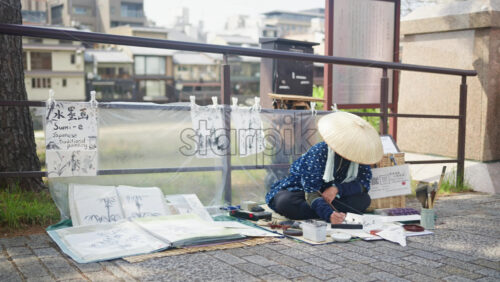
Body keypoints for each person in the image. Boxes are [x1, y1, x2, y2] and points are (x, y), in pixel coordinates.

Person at [265, 111, 383, 224]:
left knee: (363, 200)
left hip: (335, 196)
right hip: (302, 190)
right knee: (285, 202)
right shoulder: (319, 152)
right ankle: (330, 213)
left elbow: (363, 184)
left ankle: (319, 212)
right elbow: (311, 192)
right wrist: (328, 214)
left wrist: (337, 189)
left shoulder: (359, 155)